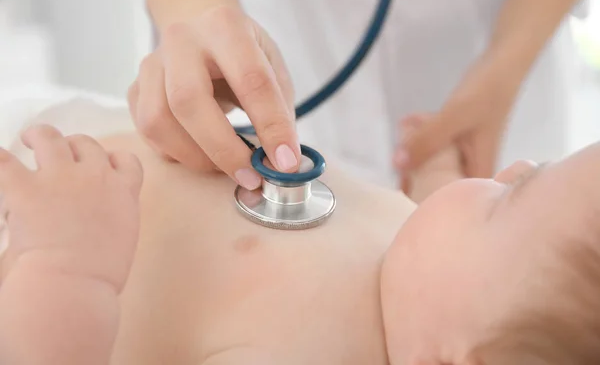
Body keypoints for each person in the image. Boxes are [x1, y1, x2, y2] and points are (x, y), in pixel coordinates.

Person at [1, 95, 600, 364]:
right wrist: (435, 170)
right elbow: (442, 253)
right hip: (56, 141)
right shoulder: (419, 270)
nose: (514, 165)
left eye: (511, 197)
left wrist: (64, 265)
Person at [120, 0, 599, 188]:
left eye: (506, 203)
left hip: (485, 88)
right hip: (280, 43)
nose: (515, 179)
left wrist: (502, 69)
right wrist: (197, 11)